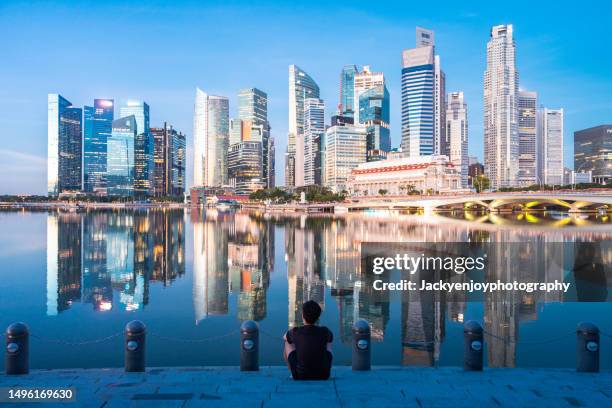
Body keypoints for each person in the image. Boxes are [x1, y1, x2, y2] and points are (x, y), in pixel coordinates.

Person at [283, 300, 333, 380]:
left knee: (287, 343)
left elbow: (284, 337)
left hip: (300, 376)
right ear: (318, 317)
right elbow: (331, 338)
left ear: (303, 315)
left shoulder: (295, 331)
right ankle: (324, 367)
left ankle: (292, 373)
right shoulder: (325, 331)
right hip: (324, 375)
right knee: (328, 343)